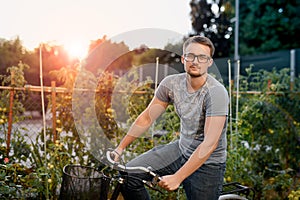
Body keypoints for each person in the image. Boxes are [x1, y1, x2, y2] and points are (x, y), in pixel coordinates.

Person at [111, 35, 229, 200]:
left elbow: (209, 143)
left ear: (209, 62)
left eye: (202, 57)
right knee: (129, 176)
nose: (195, 61)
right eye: (190, 56)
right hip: (181, 150)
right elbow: (146, 118)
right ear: (183, 59)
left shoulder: (216, 93)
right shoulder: (171, 84)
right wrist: (120, 148)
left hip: (208, 163)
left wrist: (178, 177)